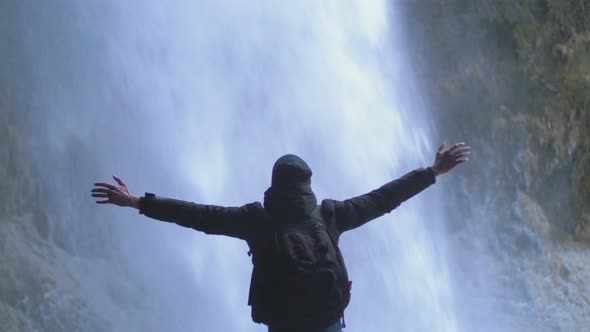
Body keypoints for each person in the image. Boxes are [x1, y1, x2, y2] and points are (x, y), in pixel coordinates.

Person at [91, 142, 470, 331]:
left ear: (274, 184)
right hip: (327, 323)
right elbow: (383, 198)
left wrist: (138, 201)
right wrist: (433, 170)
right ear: (308, 185)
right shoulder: (330, 215)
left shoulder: (257, 221)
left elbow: (197, 215)